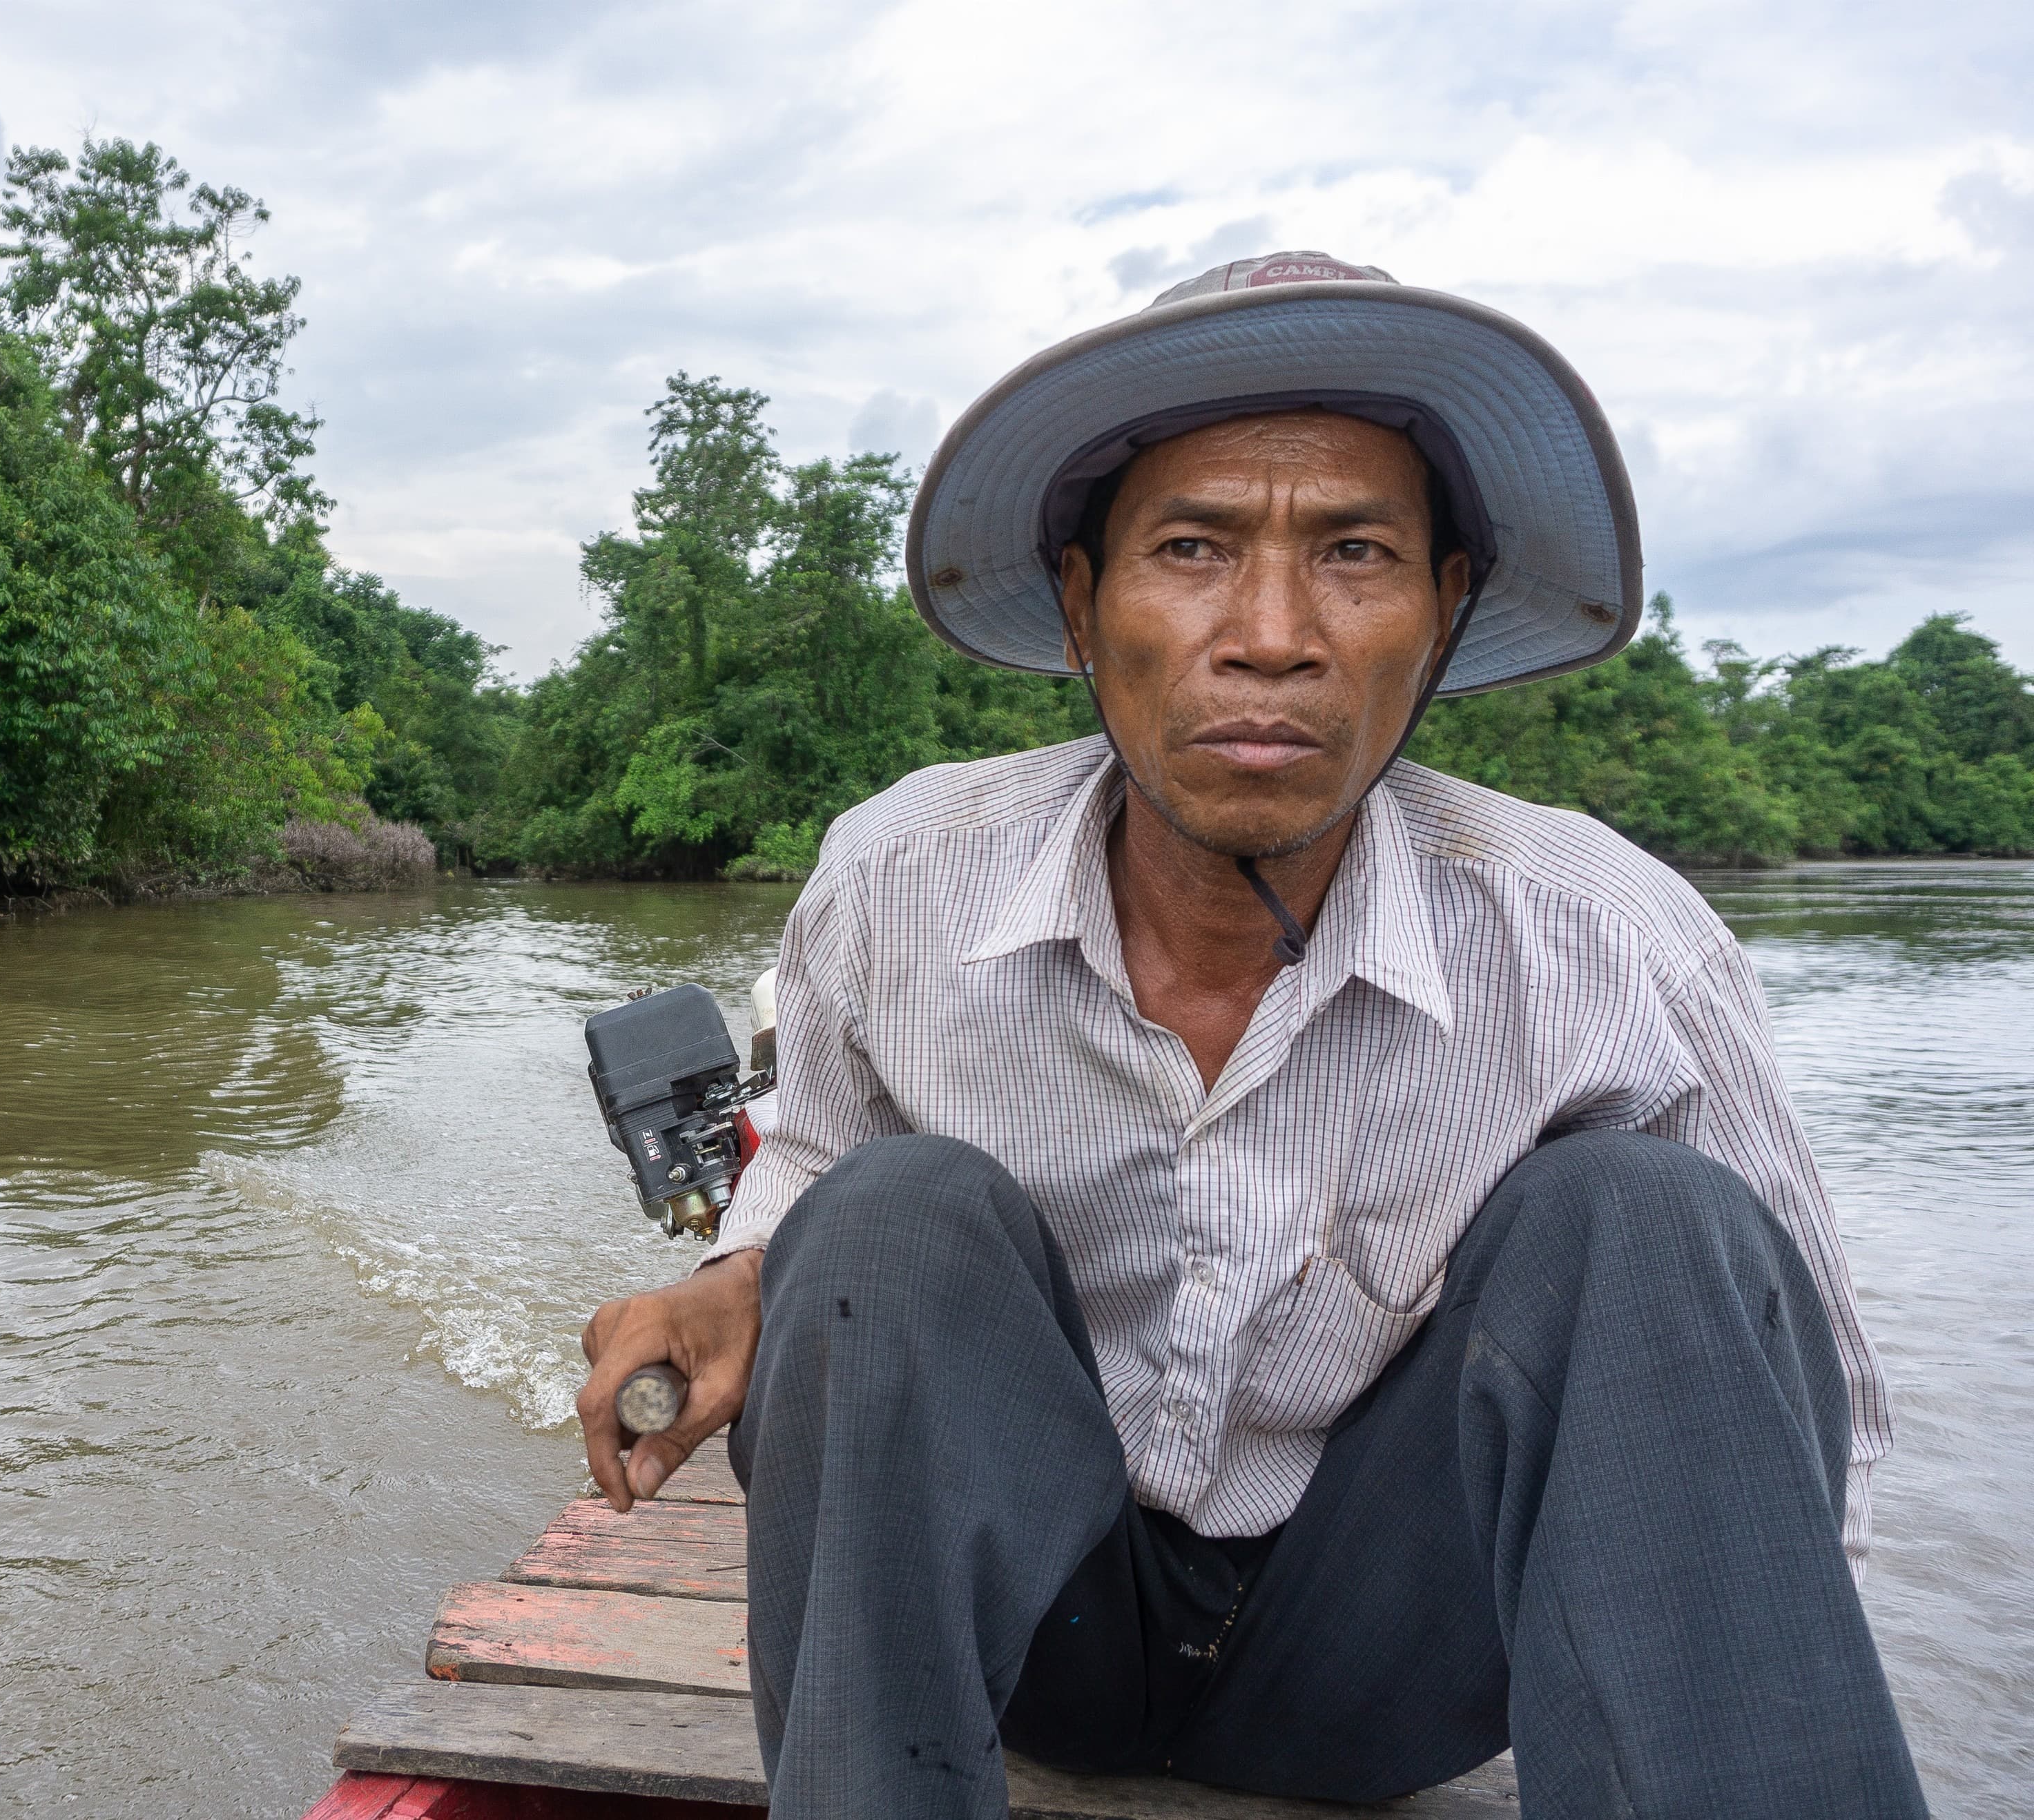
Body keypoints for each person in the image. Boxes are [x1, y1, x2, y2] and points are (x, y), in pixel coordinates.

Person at [574, 253, 1928, 1819]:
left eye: (1354, 552)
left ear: (1442, 615)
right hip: (1037, 1640)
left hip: (1380, 1663)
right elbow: (811, 1152)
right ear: (1086, 607)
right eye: (1193, 547)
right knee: (884, 1216)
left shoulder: (1611, 939)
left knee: (1648, 1216)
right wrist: (739, 1274)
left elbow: (1798, 1422)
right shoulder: (900, 877)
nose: (1271, 633)